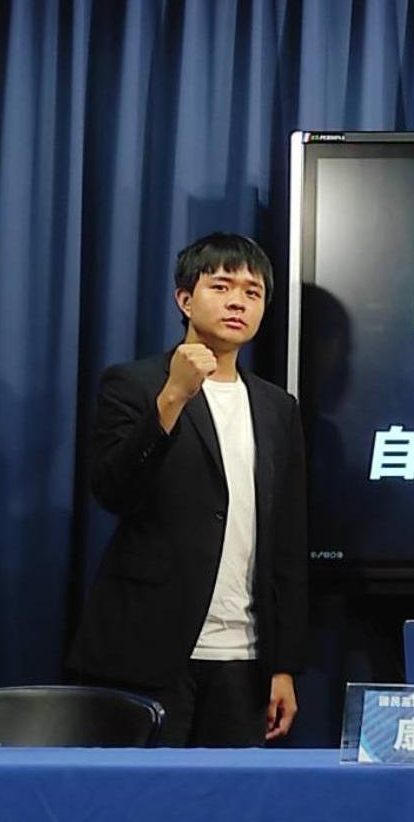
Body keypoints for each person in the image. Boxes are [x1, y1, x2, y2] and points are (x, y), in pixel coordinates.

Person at [69, 233, 308, 747]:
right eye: (221, 286)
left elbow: (288, 542)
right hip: (147, 654)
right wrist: (173, 397)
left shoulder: (277, 408)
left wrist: (284, 665)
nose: (238, 302)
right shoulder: (134, 384)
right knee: (140, 793)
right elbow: (114, 492)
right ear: (185, 299)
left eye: (252, 292)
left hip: (244, 662)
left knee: (231, 796)